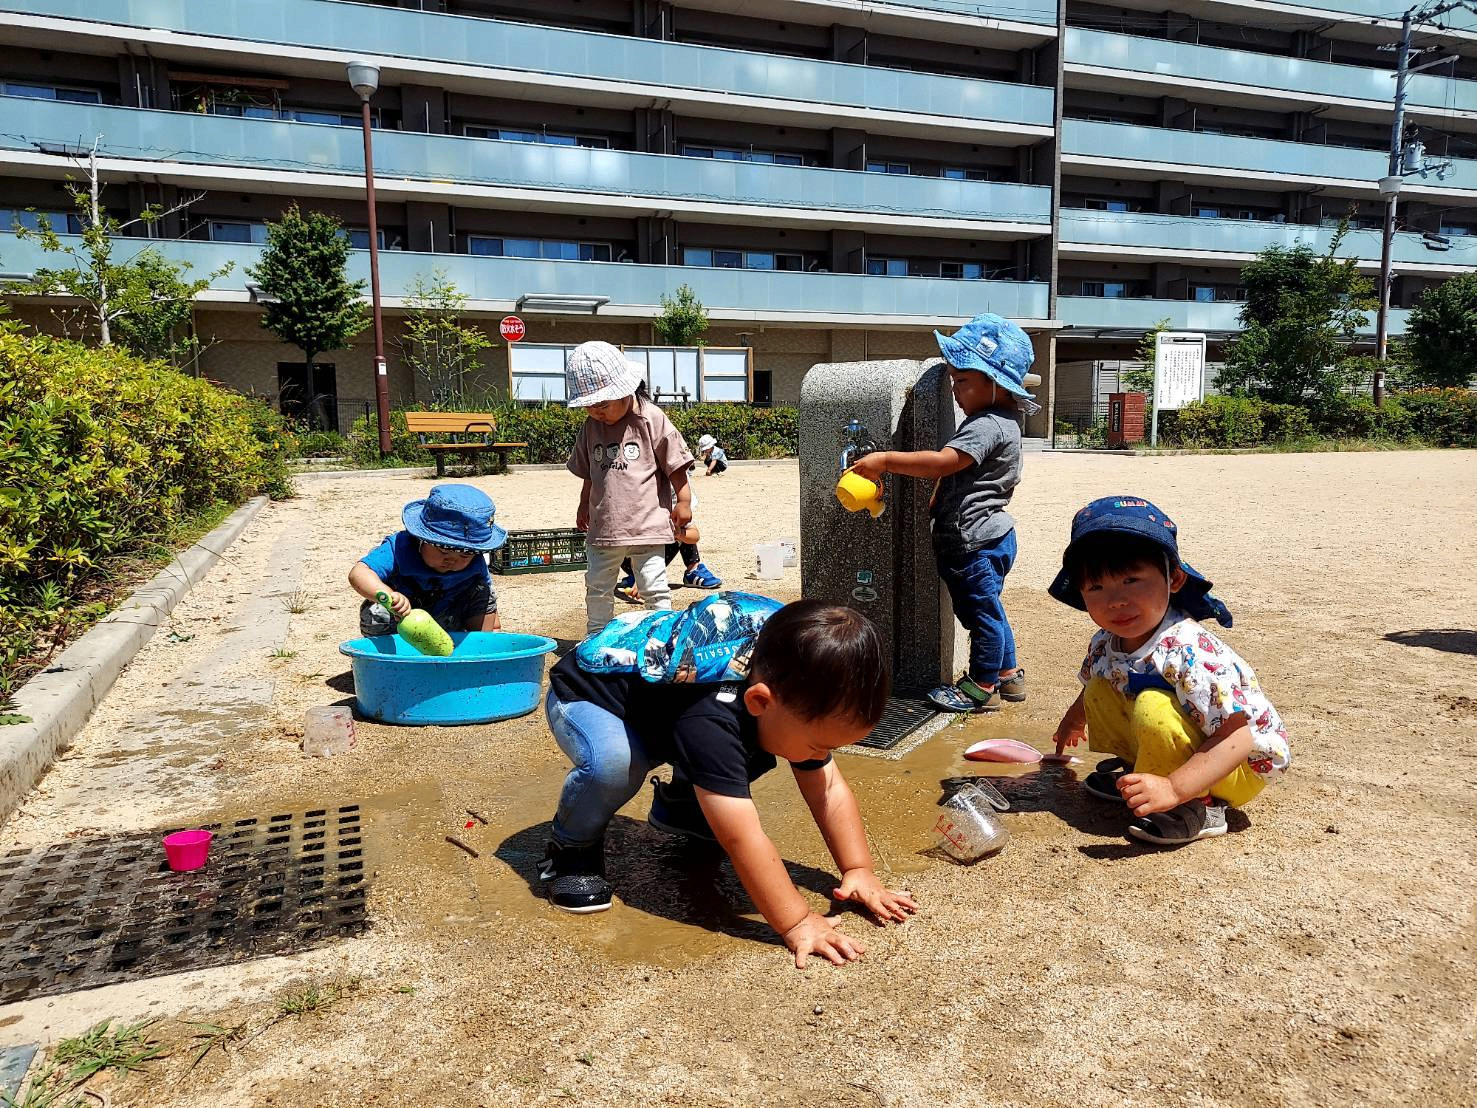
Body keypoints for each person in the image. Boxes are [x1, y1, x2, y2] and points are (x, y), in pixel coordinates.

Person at [537, 597, 918, 968]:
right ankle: (570, 848)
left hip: (669, 708)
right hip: (592, 693)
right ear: (760, 701)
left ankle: (685, 812)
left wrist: (858, 869)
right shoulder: (713, 721)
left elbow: (829, 788)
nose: (822, 755)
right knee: (617, 764)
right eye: (821, 744)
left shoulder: (786, 685)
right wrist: (798, 921)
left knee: (744, 752)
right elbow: (743, 838)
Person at [1048, 496, 1291, 846]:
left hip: (1236, 765)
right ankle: (1144, 774)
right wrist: (1074, 719)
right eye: (1096, 587)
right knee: (1099, 690)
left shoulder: (1188, 650)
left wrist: (1175, 788)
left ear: (1174, 579)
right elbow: (1093, 684)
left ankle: (1196, 804)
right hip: (1202, 742)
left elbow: (1239, 738)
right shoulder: (1105, 641)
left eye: (1131, 580)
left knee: (1153, 707)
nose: (1115, 600)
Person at [847, 312, 1039, 713]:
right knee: (991, 609)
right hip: (993, 535)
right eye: (953, 380)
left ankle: (980, 688)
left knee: (980, 617)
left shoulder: (985, 424)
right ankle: (1008, 675)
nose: (955, 390)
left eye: (963, 380)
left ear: (995, 383)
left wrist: (883, 459)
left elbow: (941, 462)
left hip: (972, 541)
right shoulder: (1004, 422)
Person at [566, 341, 693, 635]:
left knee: (654, 586)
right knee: (597, 586)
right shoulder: (590, 427)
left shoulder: (650, 418)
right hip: (604, 524)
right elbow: (589, 472)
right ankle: (595, 636)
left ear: (626, 390)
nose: (596, 411)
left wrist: (683, 500)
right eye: (589, 405)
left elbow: (675, 463)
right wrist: (584, 503)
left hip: (646, 521)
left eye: (603, 404)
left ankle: (662, 636)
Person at [348, 483, 506, 636]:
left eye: (464, 555)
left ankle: (479, 648)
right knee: (377, 611)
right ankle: (388, 658)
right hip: (402, 620)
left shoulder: (475, 561)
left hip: (449, 620)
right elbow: (359, 573)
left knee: (480, 590)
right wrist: (389, 596)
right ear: (422, 538)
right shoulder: (399, 547)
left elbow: (486, 599)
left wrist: (493, 628)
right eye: (444, 551)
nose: (452, 560)